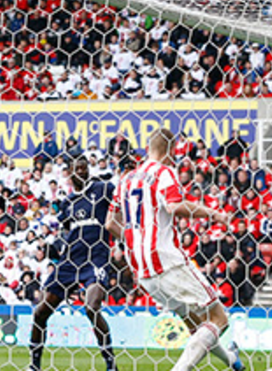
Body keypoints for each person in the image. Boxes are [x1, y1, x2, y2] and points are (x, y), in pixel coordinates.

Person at [105, 129, 243, 371]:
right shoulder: (164, 172)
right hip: (168, 261)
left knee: (196, 326)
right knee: (219, 320)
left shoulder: (126, 179)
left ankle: (231, 361)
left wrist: (135, 243)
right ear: (170, 152)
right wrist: (215, 214)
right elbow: (174, 206)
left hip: (143, 269)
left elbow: (110, 223)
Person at [29, 157, 118, 371]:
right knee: (41, 311)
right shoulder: (69, 202)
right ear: (69, 173)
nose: (81, 172)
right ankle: (34, 365)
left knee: (91, 307)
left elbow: (119, 203)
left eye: (84, 168)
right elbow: (69, 229)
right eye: (77, 169)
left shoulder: (102, 188)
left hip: (95, 257)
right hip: (71, 260)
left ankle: (110, 364)